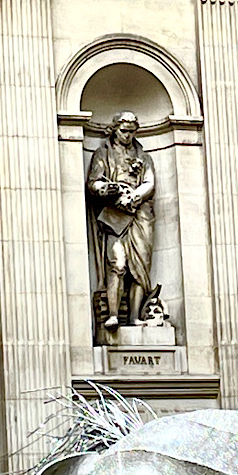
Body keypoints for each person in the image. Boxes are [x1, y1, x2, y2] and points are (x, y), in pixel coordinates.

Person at [87, 111, 155, 331]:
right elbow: (93, 183)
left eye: (132, 132)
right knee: (117, 263)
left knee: (140, 266)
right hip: (114, 214)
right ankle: (114, 314)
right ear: (114, 130)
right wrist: (107, 189)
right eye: (124, 131)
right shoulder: (102, 154)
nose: (128, 136)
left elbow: (149, 183)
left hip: (139, 214)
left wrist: (134, 196)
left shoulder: (143, 156)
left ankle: (135, 316)